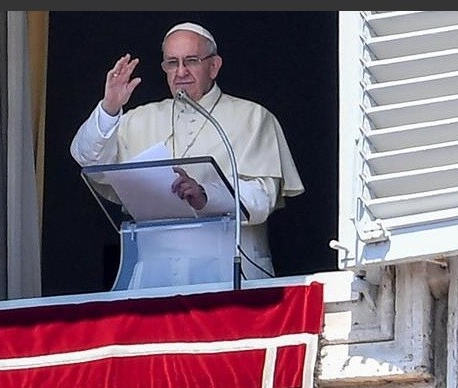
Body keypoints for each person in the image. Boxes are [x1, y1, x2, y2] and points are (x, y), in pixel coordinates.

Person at [70, 21, 304, 287]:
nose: (180, 72)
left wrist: (206, 195)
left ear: (213, 66)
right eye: (172, 63)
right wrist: (110, 107)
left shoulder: (252, 117)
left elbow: (263, 198)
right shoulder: (139, 119)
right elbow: (87, 158)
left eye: (191, 61)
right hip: (154, 277)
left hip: (228, 271)